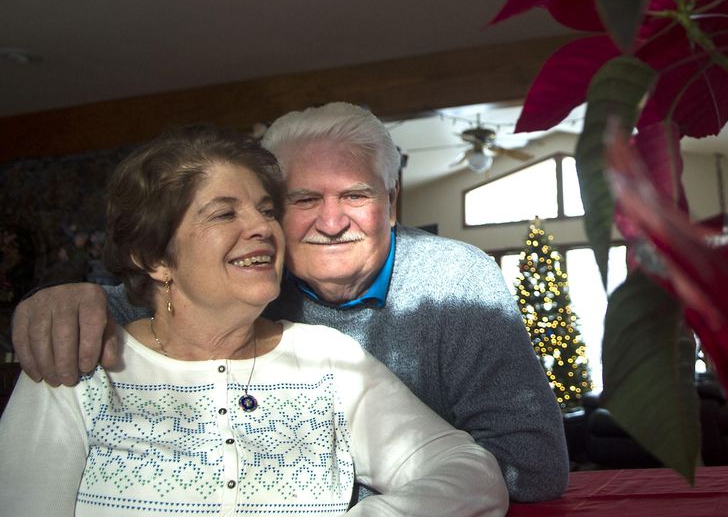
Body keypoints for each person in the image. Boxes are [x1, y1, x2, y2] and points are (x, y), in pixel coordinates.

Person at [12, 103, 570, 502]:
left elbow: (527, 468)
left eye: (356, 195)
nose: (331, 223)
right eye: (302, 200)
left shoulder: (446, 287)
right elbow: (155, 295)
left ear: (392, 203)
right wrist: (57, 299)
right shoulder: (234, 284)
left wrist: (323, 483)